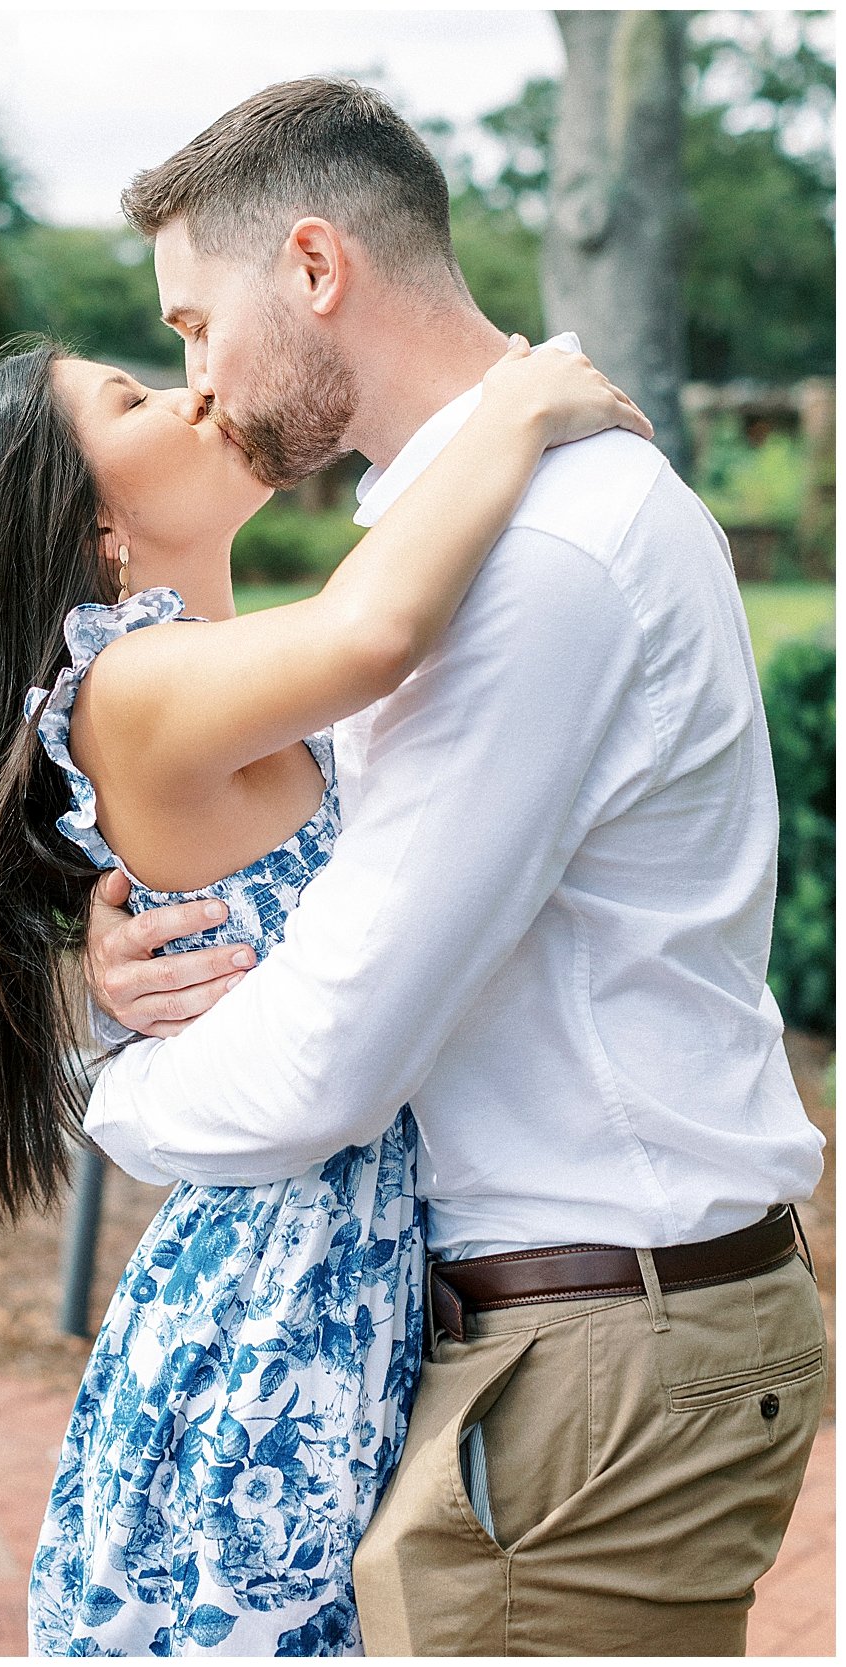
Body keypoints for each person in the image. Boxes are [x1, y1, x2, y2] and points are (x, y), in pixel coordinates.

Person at [74, 79, 825, 1655]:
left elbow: (332, 1061)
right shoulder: (476, 530)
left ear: (315, 264)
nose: (196, 379)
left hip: (599, 1345)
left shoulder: (535, 556)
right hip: (573, 1331)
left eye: (196, 323)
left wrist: (120, 1097)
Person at [0, 312, 646, 1645]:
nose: (194, 398)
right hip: (290, 1290)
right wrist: (518, 408)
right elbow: (376, 633)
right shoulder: (128, 685)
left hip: (320, 1255)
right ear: (99, 536)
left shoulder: (186, 677)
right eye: (136, 403)